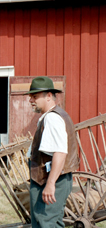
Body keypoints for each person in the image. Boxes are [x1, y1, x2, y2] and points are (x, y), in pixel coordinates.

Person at [25, 76, 79, 227]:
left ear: (49, 95)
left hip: (51, 178)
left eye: (34, 96)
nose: (31, 100)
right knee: (46, 222)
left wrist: (50, 184)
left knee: (46, 222)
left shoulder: (52, 118)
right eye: (30, 97)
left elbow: (60, 153)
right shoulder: (52, 115)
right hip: (45, 178)